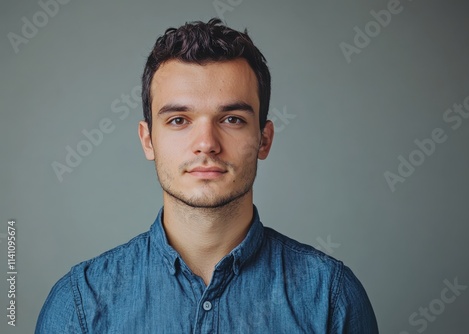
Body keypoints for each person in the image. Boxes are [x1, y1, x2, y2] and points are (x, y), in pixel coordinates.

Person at [36, 18, 378, 333]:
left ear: (264, 139)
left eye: (231, 119)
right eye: (178, 120)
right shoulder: (79, 304)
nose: (206, 144)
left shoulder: (331, 298)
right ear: (147, 139)